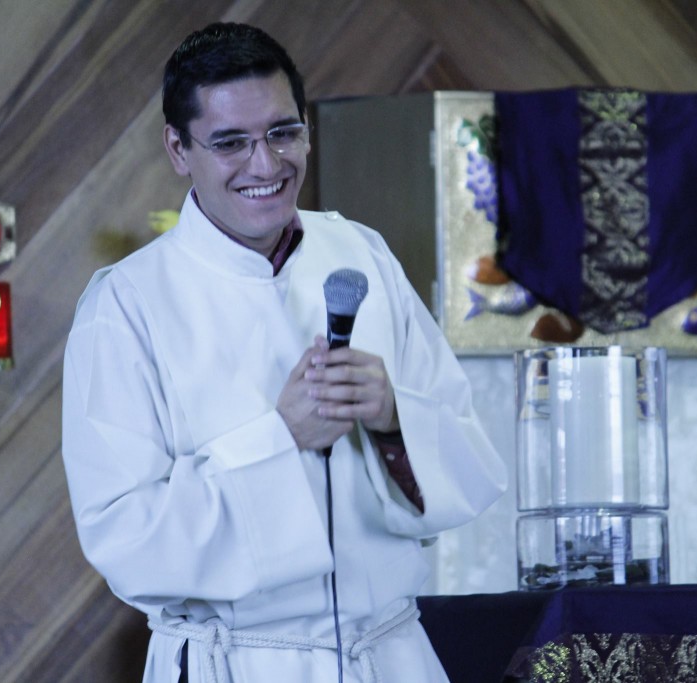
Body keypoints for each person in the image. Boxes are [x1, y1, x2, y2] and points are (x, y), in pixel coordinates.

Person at [62, 22, 507, 683]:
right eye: (231, 143)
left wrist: (391, 417)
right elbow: (126, 539)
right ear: (178, 148)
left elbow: (472, 462)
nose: (266, 165)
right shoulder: (125, 304)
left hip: (389, 654)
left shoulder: (362, 253)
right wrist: (281, 436)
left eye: (282, 132)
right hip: (236, 662)